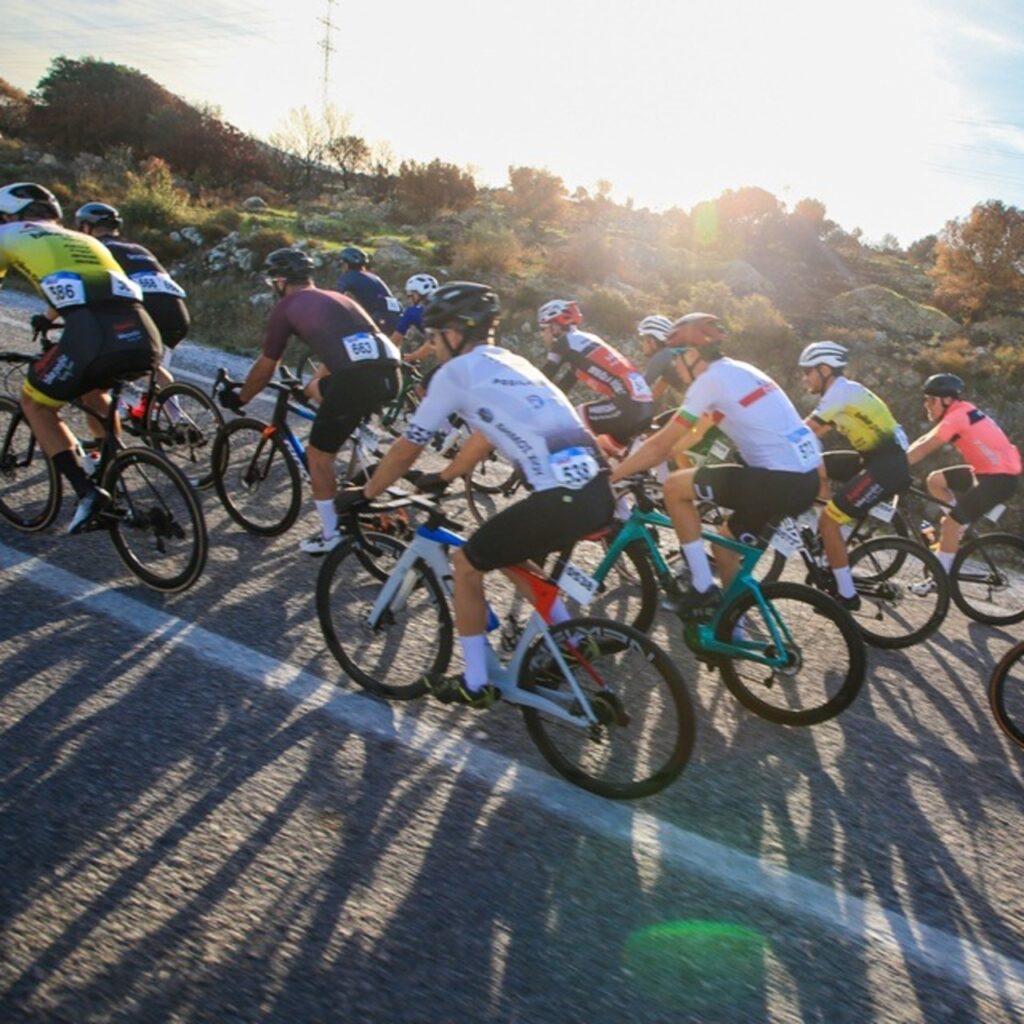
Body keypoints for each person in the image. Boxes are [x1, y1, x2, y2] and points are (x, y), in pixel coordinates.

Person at [336, 282, 615, 709]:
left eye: (434, 336)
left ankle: (475, 681)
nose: (432, 345)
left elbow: (407, 447)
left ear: (454, 333)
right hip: (596, 489)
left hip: (561, 497)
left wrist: (365, 493)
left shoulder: (456, 373)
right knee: (505, 552)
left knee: (466, 563)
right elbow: (486, 432)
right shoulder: (510, 361)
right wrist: (446, 475)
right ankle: (572, 639)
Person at [610, 312, 822, 617]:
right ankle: (729, 627)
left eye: (676, 357)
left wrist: (614, 475)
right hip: (802, 479)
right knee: (724, 550)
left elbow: (662, 445)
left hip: (778, 480)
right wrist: (662, 454)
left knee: (675, 488)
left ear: (692, 354)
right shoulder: (740, 371)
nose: (674, 367)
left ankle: (701, 588)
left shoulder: (709, 381)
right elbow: (696, 432)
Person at [0, 182, 161, 533]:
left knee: (35, 403)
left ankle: (88, 494)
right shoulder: (85, 240)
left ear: (7, 216)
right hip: (144, 333)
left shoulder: (7, 235)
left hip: (93, 334)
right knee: (92, 391)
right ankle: (108, 467)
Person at [217, 248, 402, 555]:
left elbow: (266, 366)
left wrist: (241, 396)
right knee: (316, 389)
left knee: (318, 455)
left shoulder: (287, 306)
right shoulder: (337, 297)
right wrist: (309, 388)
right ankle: (358, 451)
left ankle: (331, 535)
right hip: (390, 373)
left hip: (356, 379)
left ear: (280, 281)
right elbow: (343, 347)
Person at [799, 340, 911, 609]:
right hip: (875, 458)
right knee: (817, 463)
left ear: (825, 370)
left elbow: (803, 431)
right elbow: (814, 434)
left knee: (830, 521)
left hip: (886, 466)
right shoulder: (841, 391)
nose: (804, 378)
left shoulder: (839, 393)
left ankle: (847, 596)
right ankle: (825, 540)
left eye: (808, 371)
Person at [906, 373, 1021, 573]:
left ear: (947, 400)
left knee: (950, 524)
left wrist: (896, 466)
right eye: (926, 400)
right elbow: (925, 439)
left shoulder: (957, 417)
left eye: (931, 400)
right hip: (988, 473)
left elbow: (924, 448)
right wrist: (901, 457)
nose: (927, 405)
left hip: (999, 479)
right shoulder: (961, 410)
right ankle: (960, 528)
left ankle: (939, 578)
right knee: (935, 480)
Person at [74, 201, 189, 397]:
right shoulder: (138, 248)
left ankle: (113, 409)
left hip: (146, 313)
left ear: (86, 227)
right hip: (177, 315)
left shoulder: (95, 248)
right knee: (153, 371)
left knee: (110, 363)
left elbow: (82, 286)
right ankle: (172, 413)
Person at [537, 299, 654, 451]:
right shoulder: (585, 341)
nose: (542, 334)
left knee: (572, 420)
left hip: (626, 405)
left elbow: (545, 376)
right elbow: (564, 387)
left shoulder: (564, 342)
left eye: (543, 328)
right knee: (606, 450)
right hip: (643, 406)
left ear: (555, 327)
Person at [334, 246, 402, 334]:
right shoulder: (373, 277)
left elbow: (336, 300)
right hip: (396, 317)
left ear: (346, 264)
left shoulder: (348, 277)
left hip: (379, 319)